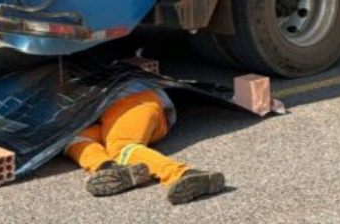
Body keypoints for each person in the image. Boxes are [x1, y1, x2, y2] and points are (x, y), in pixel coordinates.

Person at [65, 80, 226, 205]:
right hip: (108, 115)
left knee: (121, 147)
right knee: (74, 139)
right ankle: (110, 168)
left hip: (135, 101)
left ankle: (185, 174)